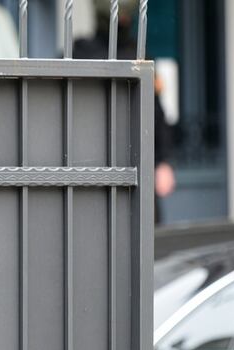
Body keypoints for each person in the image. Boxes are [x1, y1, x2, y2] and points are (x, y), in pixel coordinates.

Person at [74, 0, 176, 224]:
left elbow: (155, 112)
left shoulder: (138, 53)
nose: (124, 21)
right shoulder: (78, 52)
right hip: (89, 163)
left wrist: (163, 161)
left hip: (134, 159)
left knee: (144, 237)